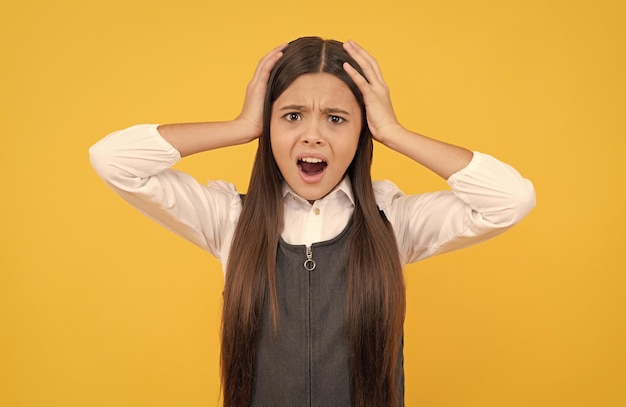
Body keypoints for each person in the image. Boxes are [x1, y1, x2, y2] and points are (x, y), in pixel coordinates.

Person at [89, 37, 535, 407]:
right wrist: (241, 125)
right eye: (292, 115)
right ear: (269, 124)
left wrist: (395, 132)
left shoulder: (392, 221)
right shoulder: (230, 219)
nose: (313, 134)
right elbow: (112, 160)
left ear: (363, 132)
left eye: (337, 119)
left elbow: (510, 200)